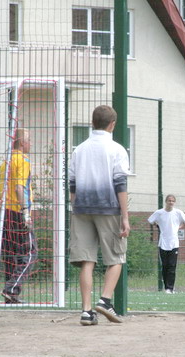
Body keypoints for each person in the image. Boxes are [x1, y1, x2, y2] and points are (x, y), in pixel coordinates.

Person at [69, 105, 130, 326]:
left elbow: (72, 184)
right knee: (116, 257)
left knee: (87, 259)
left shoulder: (79, 149)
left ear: (93, 122)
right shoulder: (117, 149)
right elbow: (120, 184)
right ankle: (104, 300)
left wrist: (76, 207)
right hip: (108, 208)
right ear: (112, 124)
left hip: (82, 209)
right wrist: (125, 216)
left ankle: (86, 312)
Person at [0, 128, 38, 304]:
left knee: (10, 253)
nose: (31, 143)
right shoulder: (22, 160)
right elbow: (19, 188)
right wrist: (25, 213)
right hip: (17, 211)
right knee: (30, 253)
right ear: (22, 143)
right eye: (29, 140)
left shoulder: (6, 160)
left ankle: (11, 295)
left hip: (4, 212)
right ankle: (11, 288)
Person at [147, 195, 185, 294]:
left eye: (173, 201)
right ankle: (166, 287)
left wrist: (180, 226)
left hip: (174, 243)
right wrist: (157, 225)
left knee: (172, 266)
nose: (171, 202)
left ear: (174, 202)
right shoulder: (159, 213)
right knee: (165, 265)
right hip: (163, 243)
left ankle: (170, 288)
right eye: (169, 201)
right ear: (166, 201)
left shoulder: (178, 212)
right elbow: (150, 220)